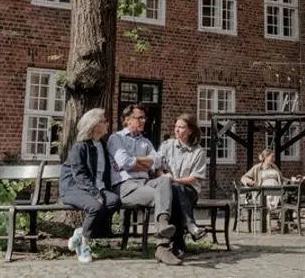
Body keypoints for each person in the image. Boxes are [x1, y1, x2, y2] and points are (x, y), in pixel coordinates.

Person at [107, 105, 178, 264]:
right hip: (126, 186)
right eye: (139, 118)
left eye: (144, 118)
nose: (143, 121)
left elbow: (158, 161)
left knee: (165, 181)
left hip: (145, 182)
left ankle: (162, 224)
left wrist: (135, 162)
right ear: (127, 119)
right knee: (162, 196)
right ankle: (163, 248)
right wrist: (145, 162)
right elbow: (125, 162)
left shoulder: (145, 141)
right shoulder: (116, 138)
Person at [61, 108, 122, 264]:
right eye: (104, 121)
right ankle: (84, 244)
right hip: (74, 188)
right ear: (94, 125)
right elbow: (79, 175)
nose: (107, 124)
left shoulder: (102, 145)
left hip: (96, 188)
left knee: (114, 201)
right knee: (95, 206)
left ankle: (80, 233)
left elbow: (103, 172)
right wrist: (96, 194)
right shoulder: (80, 147)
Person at [158, 114, 209, 263]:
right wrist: (163, 176)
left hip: (189, 190)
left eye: (181, 127)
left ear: (190, 130)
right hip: (168, 188)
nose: (177, 130)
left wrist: (174, 180)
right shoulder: (167, 145)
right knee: (174, 193)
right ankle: (188, 229)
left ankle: (175, 245)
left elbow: (194, 178)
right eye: (176, 127)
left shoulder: (198, 152)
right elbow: (158, 167)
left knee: (177, 190)